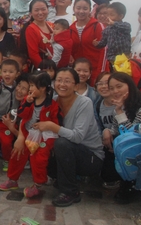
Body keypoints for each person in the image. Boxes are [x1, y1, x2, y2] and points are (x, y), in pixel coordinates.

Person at [39, 68, 104, 207]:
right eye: (59, 80)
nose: (62, 84)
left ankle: (70, 192)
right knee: (42, 150)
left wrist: (52, 126)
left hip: (90, 157)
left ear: (75, 86)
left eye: (67, 81)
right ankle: (62, 178)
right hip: (67, 154)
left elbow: (77, 137)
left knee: (62, 143)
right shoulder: (53, 101)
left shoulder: (84, 103)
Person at [0, 71, 60, 199]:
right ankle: (12, 180)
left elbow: (56, 123)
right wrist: (27, 103)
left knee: (39, 158)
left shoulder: (52, 105)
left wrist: (46, 125)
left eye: (33, 86)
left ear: (43, 88)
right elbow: (21, 114)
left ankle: (38, 185)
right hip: (28, 133)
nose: (30, 89)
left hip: (44, 137)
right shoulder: (28, 100)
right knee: (17, 153)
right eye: (30, 85)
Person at [107, 72, 141, 203]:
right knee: (106, 173)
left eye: (119, 86)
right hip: (126, 147)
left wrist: (120, 111)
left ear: (129, 85)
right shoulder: (119, 104)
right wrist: (106, 131)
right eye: (112, 88)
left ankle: (134, 183)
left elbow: (134, 134)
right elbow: (115, 129)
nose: (115, 91)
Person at [70, 0, 106, 86]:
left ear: (90, 9)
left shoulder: (97, 26)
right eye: (78, 8)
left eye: (85, 9)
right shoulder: (70, 28)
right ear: (74, 9)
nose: (81, 11)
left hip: (95, 73)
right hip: (78, 74)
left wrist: (100, 76)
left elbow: (104, 51)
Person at [19, 0, 53, 70]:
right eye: (36, 10)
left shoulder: (52, 25)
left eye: (43, 9)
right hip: (42, 66)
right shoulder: (31, 29)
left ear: (48, 10)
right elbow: (33, 54)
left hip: (54, 64)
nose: (40, 13)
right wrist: (45, 69)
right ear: (31, 13)